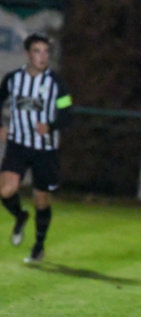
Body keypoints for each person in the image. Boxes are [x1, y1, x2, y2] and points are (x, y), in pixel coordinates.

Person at [0, 32, 73, 263]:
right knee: (6, 191)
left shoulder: (57, 83)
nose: (43, 56)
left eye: (46, 52)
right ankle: (20, 216)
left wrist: (51, 126)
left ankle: (38, 246)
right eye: (37, 51)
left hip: (45, 150)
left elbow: (68, 113)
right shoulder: (12, 79)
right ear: (27, 54)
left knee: (41, 200)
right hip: (18, 145)